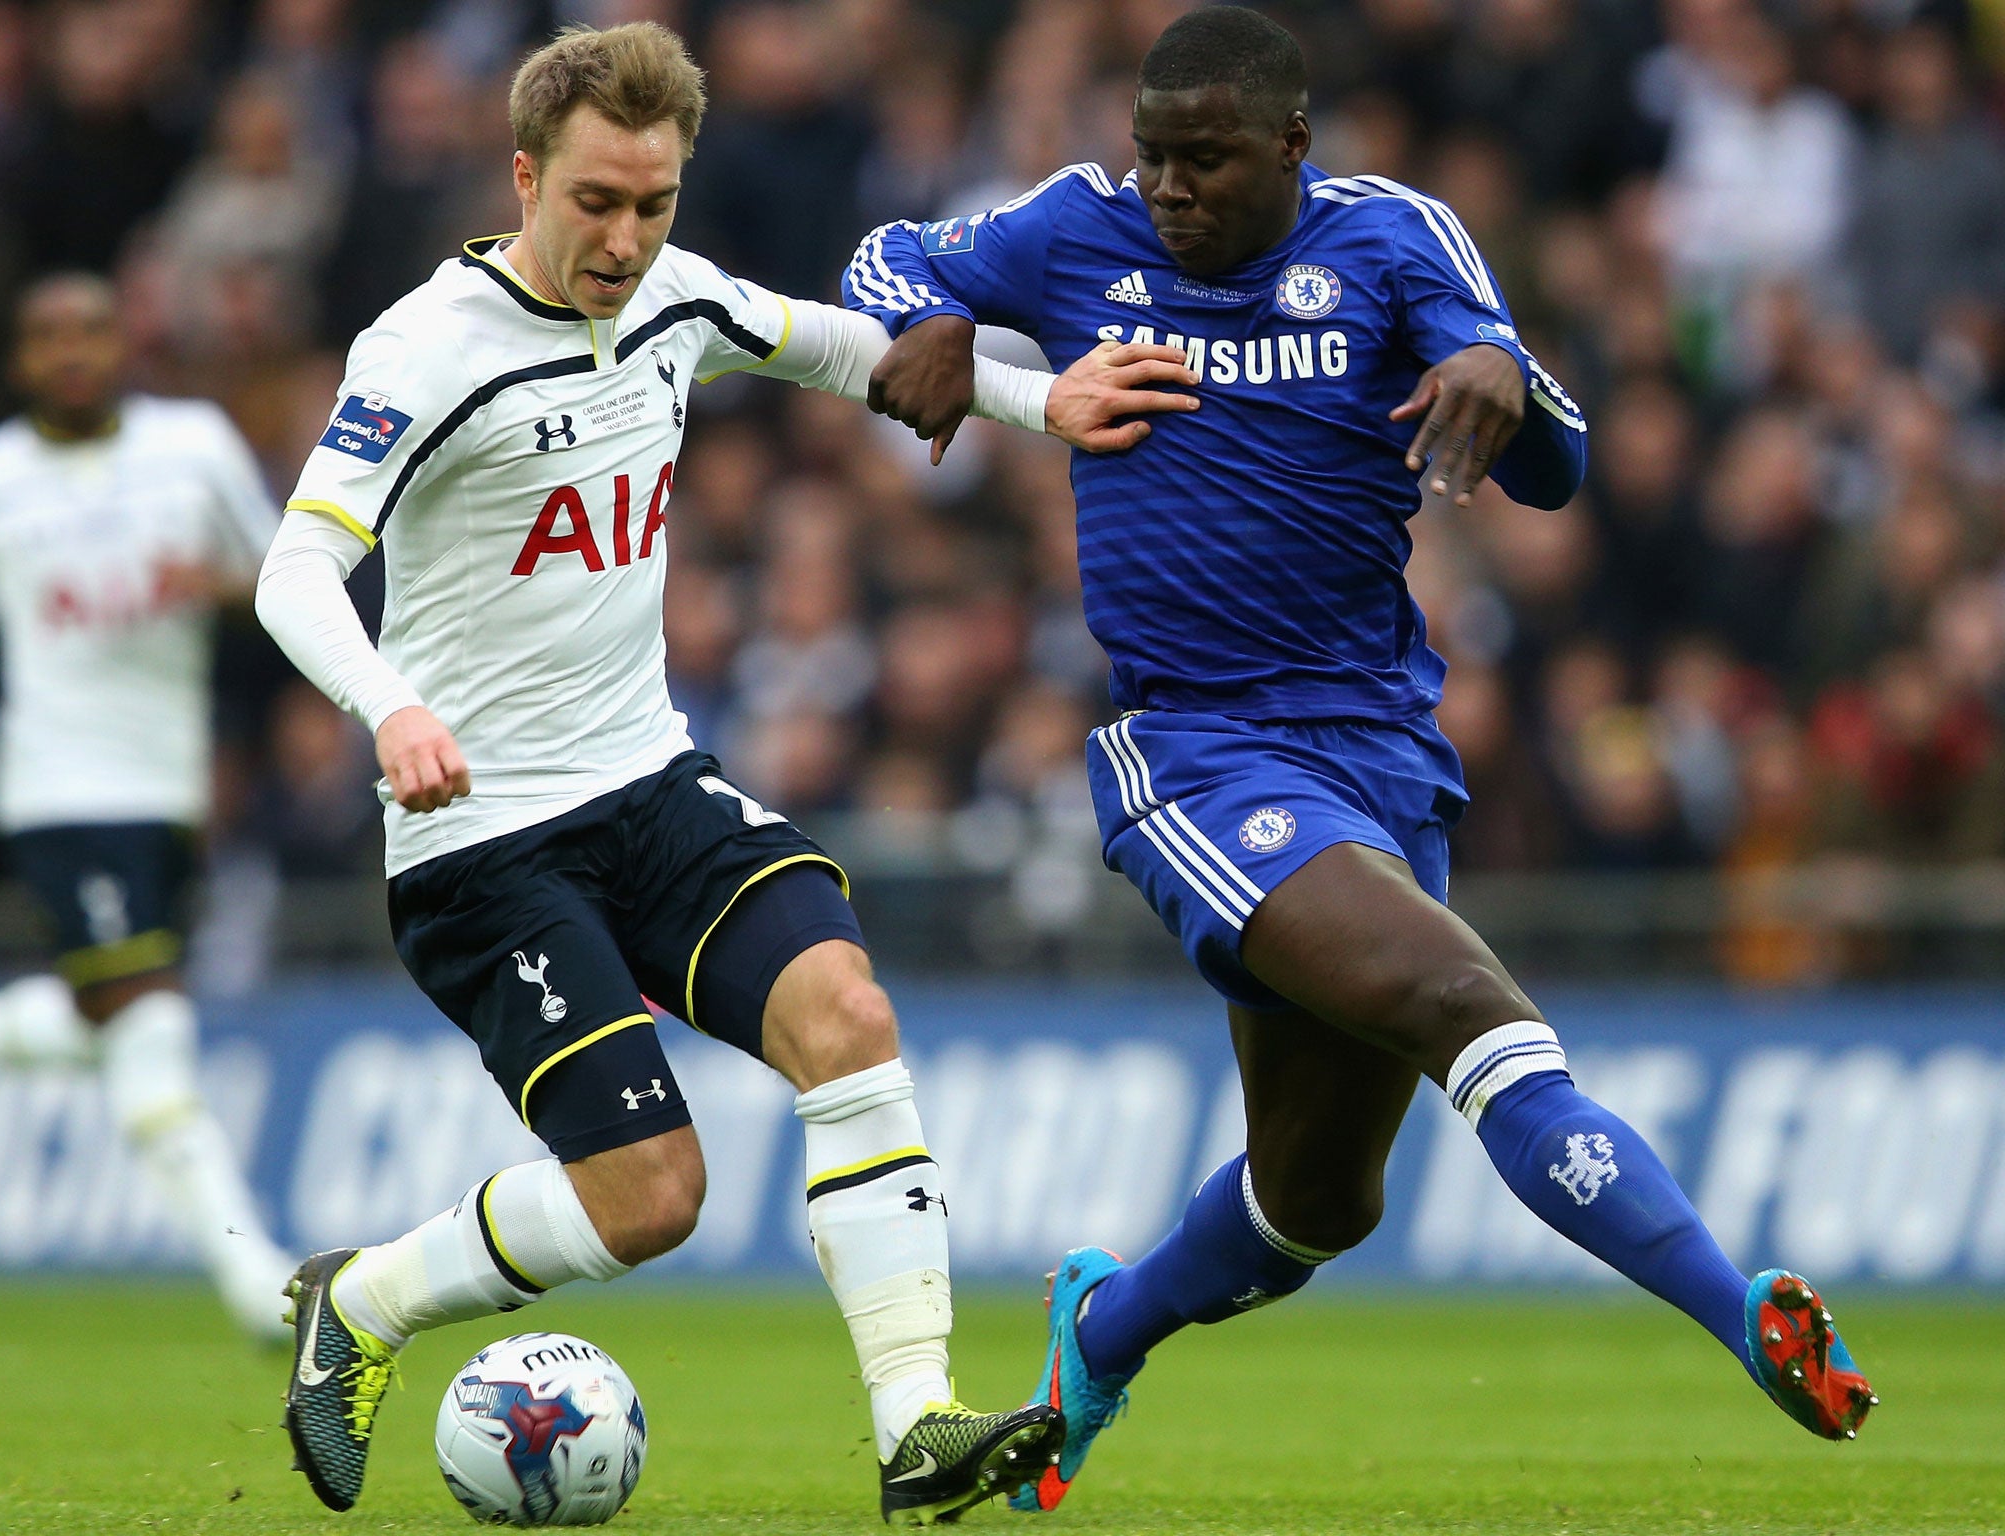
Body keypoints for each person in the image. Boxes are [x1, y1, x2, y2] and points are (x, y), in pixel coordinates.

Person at [844, 5, 1876, 1513]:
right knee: (1468, 1005)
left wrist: (1503, 380)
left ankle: (1101, 1330)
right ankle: (1748, 1315)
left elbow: (1557, 450)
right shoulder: (1075, 228)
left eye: (1205, 161)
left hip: (1380, 755)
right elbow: (884, 256)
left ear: (1291, 148)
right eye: (1155, 157)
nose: (1171, 189)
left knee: (1318, 1204)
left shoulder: (1395, 239)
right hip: (1195, 752)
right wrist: (926, 319)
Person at [253, 21, 1195, 1524]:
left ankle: (916, 1426)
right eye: (596, 204)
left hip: (647, 785)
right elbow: (296, 571)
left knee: (848, 1012)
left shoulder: (678, 298)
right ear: (524, 177)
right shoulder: (426, 348)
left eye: (654, 204)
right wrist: (389, 707)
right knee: (655, 1200)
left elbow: (841, 349)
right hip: (482, 839)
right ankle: (360, 1301)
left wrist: (1040, 403)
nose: (627, 240)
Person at [0, 273, 293, 1341]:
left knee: (119, 1022)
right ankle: (260, 1288)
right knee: (148, 1021)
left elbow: (287, 571)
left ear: (123, 345)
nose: (72, 351)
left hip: (168, 792)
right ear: (19, 362)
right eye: (48, 334)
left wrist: (222, 590)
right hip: (56, 790)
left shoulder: (192, 448)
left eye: (91, 331)